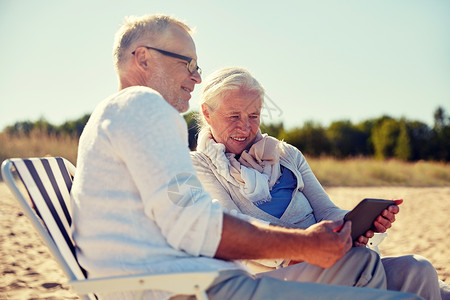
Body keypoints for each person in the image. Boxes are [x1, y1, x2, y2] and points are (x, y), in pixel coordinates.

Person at [71, 14, 422, 300]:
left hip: (194, 282)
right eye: (188, 63)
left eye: (198, 66)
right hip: (194, 288)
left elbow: (186, 214)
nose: (197, 76)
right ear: (143, 58)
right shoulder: (142, 107)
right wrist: (305, 245)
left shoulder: (118, 118)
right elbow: (199, 226)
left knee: (418, 276)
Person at [191, 66, 449, 300]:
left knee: (418, 269)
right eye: (234, 116)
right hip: (266, 278)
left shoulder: (286, 154)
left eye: (254, 116)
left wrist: (358, 224)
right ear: (207, 112)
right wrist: (304, 246)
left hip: (327, 259)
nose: (245, 127)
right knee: (361, 261)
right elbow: (231, 229)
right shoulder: (198, 165)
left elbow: (327, 211)